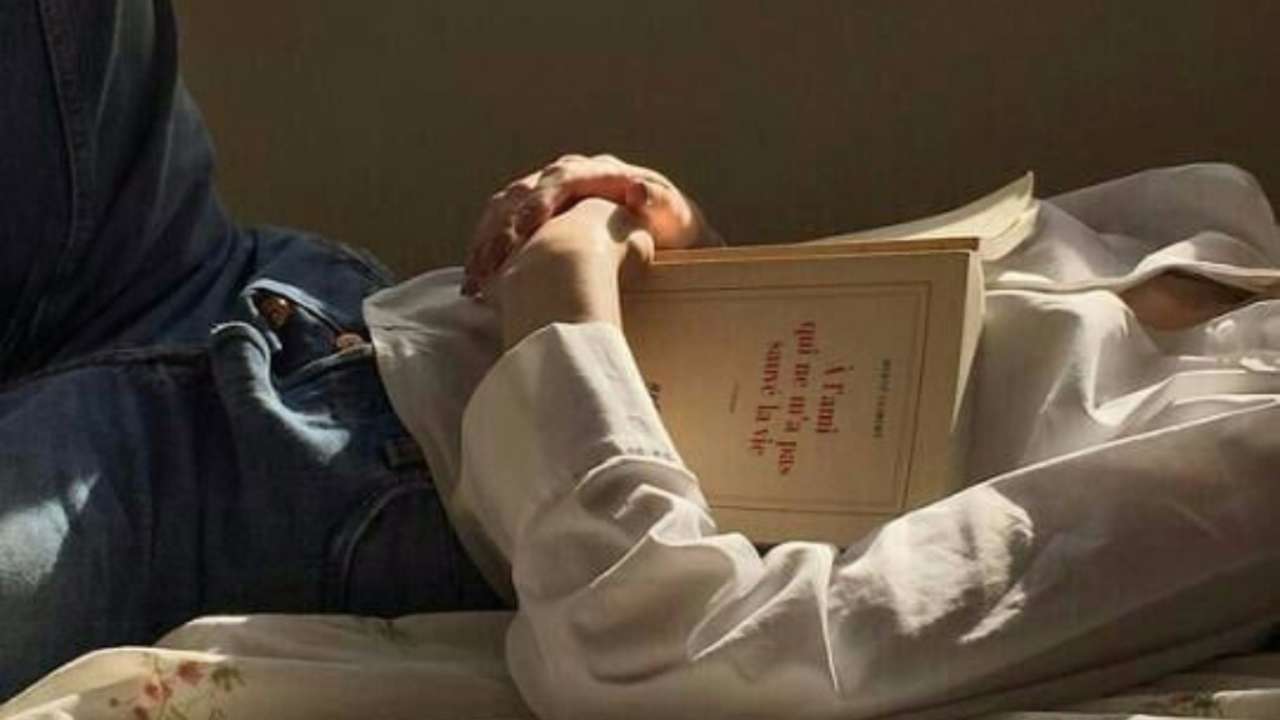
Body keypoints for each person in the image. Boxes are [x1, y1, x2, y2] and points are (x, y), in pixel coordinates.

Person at [7, 2, 1280, 718]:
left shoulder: (1245, 487)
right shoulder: (1222, 221)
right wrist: (677, 248)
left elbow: (696, 657)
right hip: (286, 298)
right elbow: (850, 432)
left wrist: (565, 314)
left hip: (283, 503)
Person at [0, 0, 713, 698]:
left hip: (262, 509)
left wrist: (566, 297)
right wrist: (664, 226)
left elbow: (641, 645)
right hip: (246, 290)